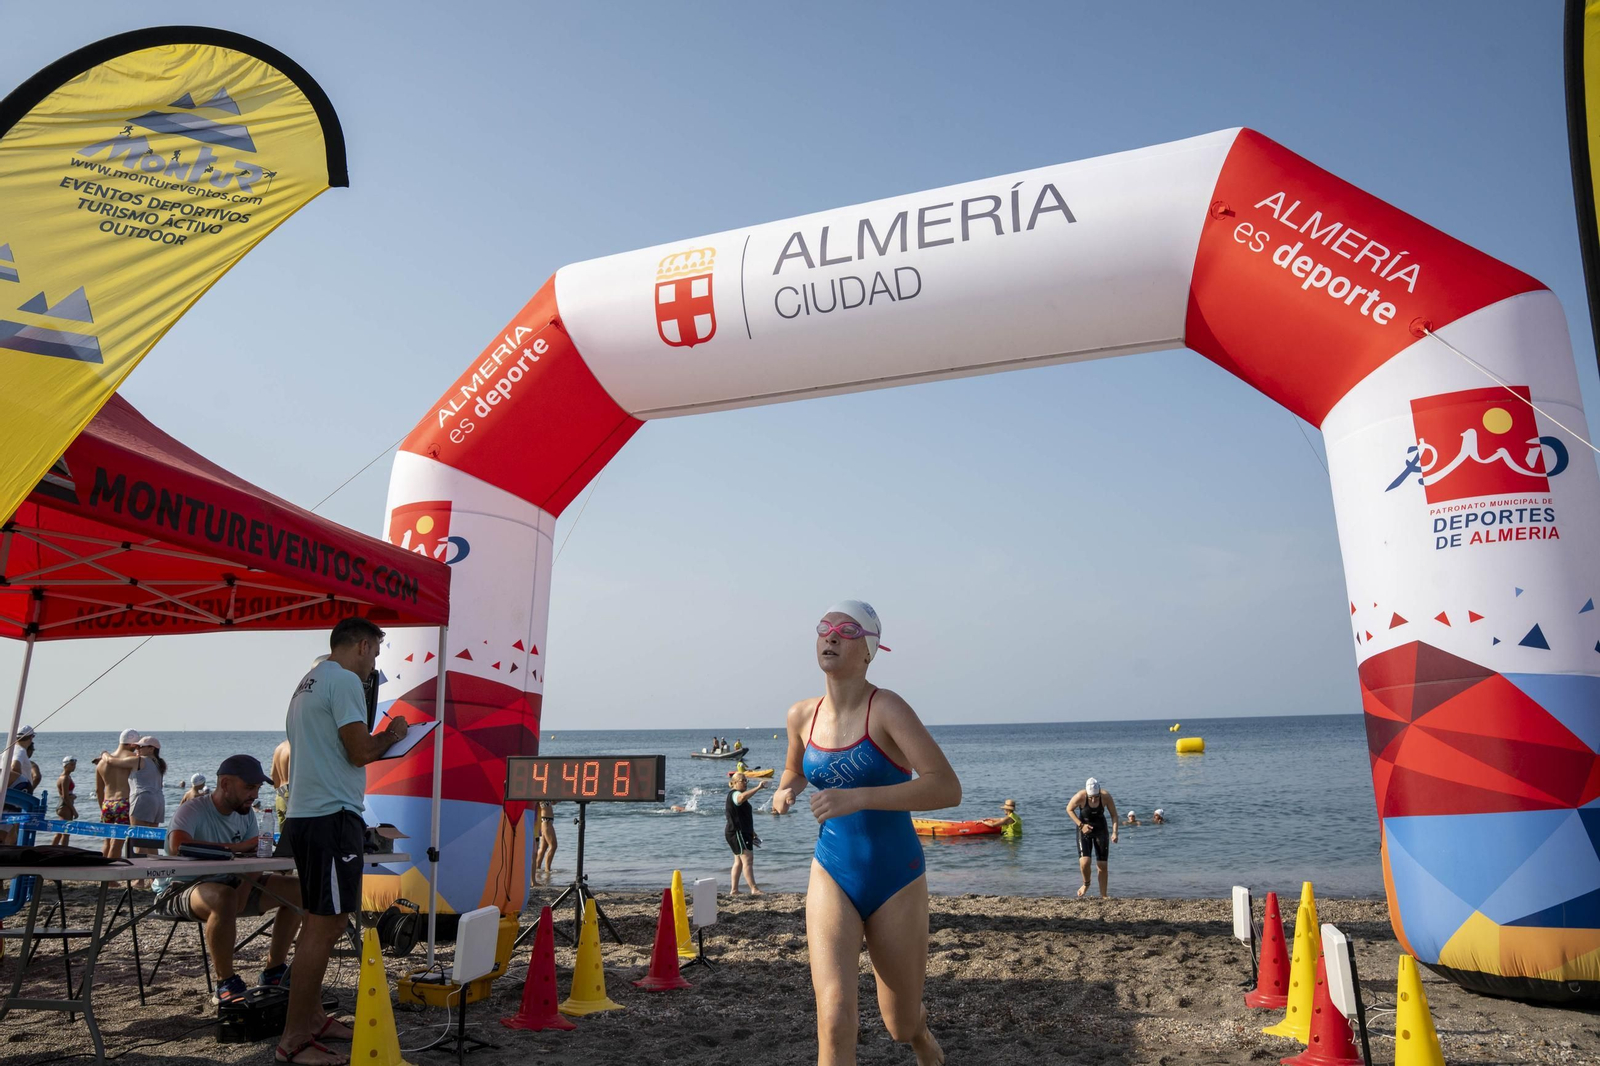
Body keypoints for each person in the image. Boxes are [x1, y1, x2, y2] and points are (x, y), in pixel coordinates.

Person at [771, 600, 958, 1066]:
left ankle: (923, 1039)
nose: (832, 636)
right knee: (834, 1020)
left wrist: (858, 797)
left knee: (899, 1023)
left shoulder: (888, 709)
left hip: (896, 876)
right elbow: (794, 769)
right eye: (825, 628)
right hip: (833, 870)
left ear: (870, 649)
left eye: (847, 630)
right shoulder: (800, 716)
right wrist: (784, 789)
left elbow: (946, 788)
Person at [278, 617, 407, 1066]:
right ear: (363, 645)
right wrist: (393, 735)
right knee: (326, 923)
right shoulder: (346, 680)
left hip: (307, 814)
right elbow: (359, 751)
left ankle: (311, 1017)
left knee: (320, 919)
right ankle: (294, 1037)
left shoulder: (308, 681)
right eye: (374, 654)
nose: (374, 665)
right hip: (331, 815)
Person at [153, 755, 302, 1005]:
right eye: (249, 787)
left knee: (298, 890)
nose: (254, 795)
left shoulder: (245, 814)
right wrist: (238, 847)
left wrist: (244, 890)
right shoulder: (193, 808)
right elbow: (178, 845)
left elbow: (255, 856)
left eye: (257, 788)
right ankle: (226, 983)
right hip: (179, 888)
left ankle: (274, 971)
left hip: (233, 884)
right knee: (225, 896)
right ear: (225, 784)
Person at [1067, 777, 1119, 898]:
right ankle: (1086, 884)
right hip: (1083, 828)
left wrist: (1115, 832)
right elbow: (1069, 809)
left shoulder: (1106, 796)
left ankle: (1104, 895)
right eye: (1091, 797)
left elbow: (1114, 815)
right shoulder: (1080, 796)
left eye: (1096, 796)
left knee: (1102, 865)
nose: (1094, 799)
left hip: (1100, 829)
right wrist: (1081, 825)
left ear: (1099, 792)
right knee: (1085, 862)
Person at [96, 728, 142, 858]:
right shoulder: (133, 758)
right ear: (131, 744)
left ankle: (102, 875)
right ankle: (110, 876)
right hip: (123, 803)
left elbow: (99, 790)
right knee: (117, 844)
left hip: (106, 803)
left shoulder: (101, 762)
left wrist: (102, 808)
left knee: (107, 842)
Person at [725, 772, 765, 895]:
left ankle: (734, 890)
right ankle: (754, 889)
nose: (745, 783)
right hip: (737, 832)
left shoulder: (737, 794)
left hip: (741, 831)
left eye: (746, 780)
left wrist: (752, 832)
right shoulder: (735, 794)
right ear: (735, 783)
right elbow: (741, 798)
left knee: (738, 861)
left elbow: (742, 816)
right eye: (743, 780)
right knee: (748, 860)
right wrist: (758, 787)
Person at [1, 725, 38, 845]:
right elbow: (14, 766)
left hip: (7, 789)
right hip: (18, 790)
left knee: (11, 829)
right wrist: (22, 784)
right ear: (31, 737)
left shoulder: (8, 750)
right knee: (9, 827)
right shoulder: (20, 750)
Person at [51, 756, 78, 846]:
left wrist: (72, 796)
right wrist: (74, 811)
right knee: (66, 832)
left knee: (59, 832)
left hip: (64, 806)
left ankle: (51, 849)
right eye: (71, 765)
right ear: (65, 765)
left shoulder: (67, 777)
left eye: (74, 764)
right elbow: (65, 797)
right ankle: (64, 851)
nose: (74, 766)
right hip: (65, 806)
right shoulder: (65, 778)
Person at [270, 738, 292, 832]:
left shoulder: (279, 748)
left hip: (279, 795)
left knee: (283, 833)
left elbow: (273, 775)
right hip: (292, 794)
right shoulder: (294, 747)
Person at [533, 802, 557, 883]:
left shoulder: (547, 794)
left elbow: (554, 802)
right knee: (553, 846)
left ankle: (537, 868)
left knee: (543, 847)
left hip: (548, 820)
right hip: (545, 820)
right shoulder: (540, 793)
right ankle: (547, 869)